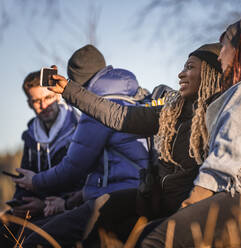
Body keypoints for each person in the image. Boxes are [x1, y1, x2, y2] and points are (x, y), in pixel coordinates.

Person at [136, 18, 241, 247]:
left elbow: (227, 156)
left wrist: (190, 205)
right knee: (150, 232)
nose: (220, 55)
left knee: (155, 240)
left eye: (224, 45)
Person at [47, 43, 223, 244]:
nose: (181, 74)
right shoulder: (171, 112)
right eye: (183, 67)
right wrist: (69, 89)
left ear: (212, 72)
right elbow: (119, 115)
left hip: (187, 213)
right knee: (98, 210)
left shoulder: (222, 114)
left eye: (190, 67)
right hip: (153, 201)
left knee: (142, 239)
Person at [14, 44, 149, 247]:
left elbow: (72, 170)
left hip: (115, 198)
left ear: (75, 84)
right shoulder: (133, 94)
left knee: (35, 242)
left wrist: (36, 182)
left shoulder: (97, 109)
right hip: (139, 191)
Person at [0, 70, 81, 247]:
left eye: (49, 97)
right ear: (29, 103)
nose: (44, 105)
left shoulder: (78, 128)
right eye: (37, 101)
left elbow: (82, 181)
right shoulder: (30, 136)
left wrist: (43, 204)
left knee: (31, 237)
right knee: (3, 227)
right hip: (39, 208)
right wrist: (21, 203)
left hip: (68, 206)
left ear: (58, 95)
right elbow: (24, 179)